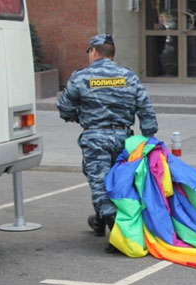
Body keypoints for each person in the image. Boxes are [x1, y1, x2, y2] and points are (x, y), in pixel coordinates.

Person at [57, 34, 158, 251]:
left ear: (93, 51)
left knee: (100, 184)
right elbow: (146, 108)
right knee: (120, 182)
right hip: (125, 139)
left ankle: (117, 236)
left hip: (95, 138)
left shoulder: (81, 77)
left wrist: (77, 117)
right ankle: (99, 220)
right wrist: (149, 138)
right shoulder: (128, 76)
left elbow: (64, 107)